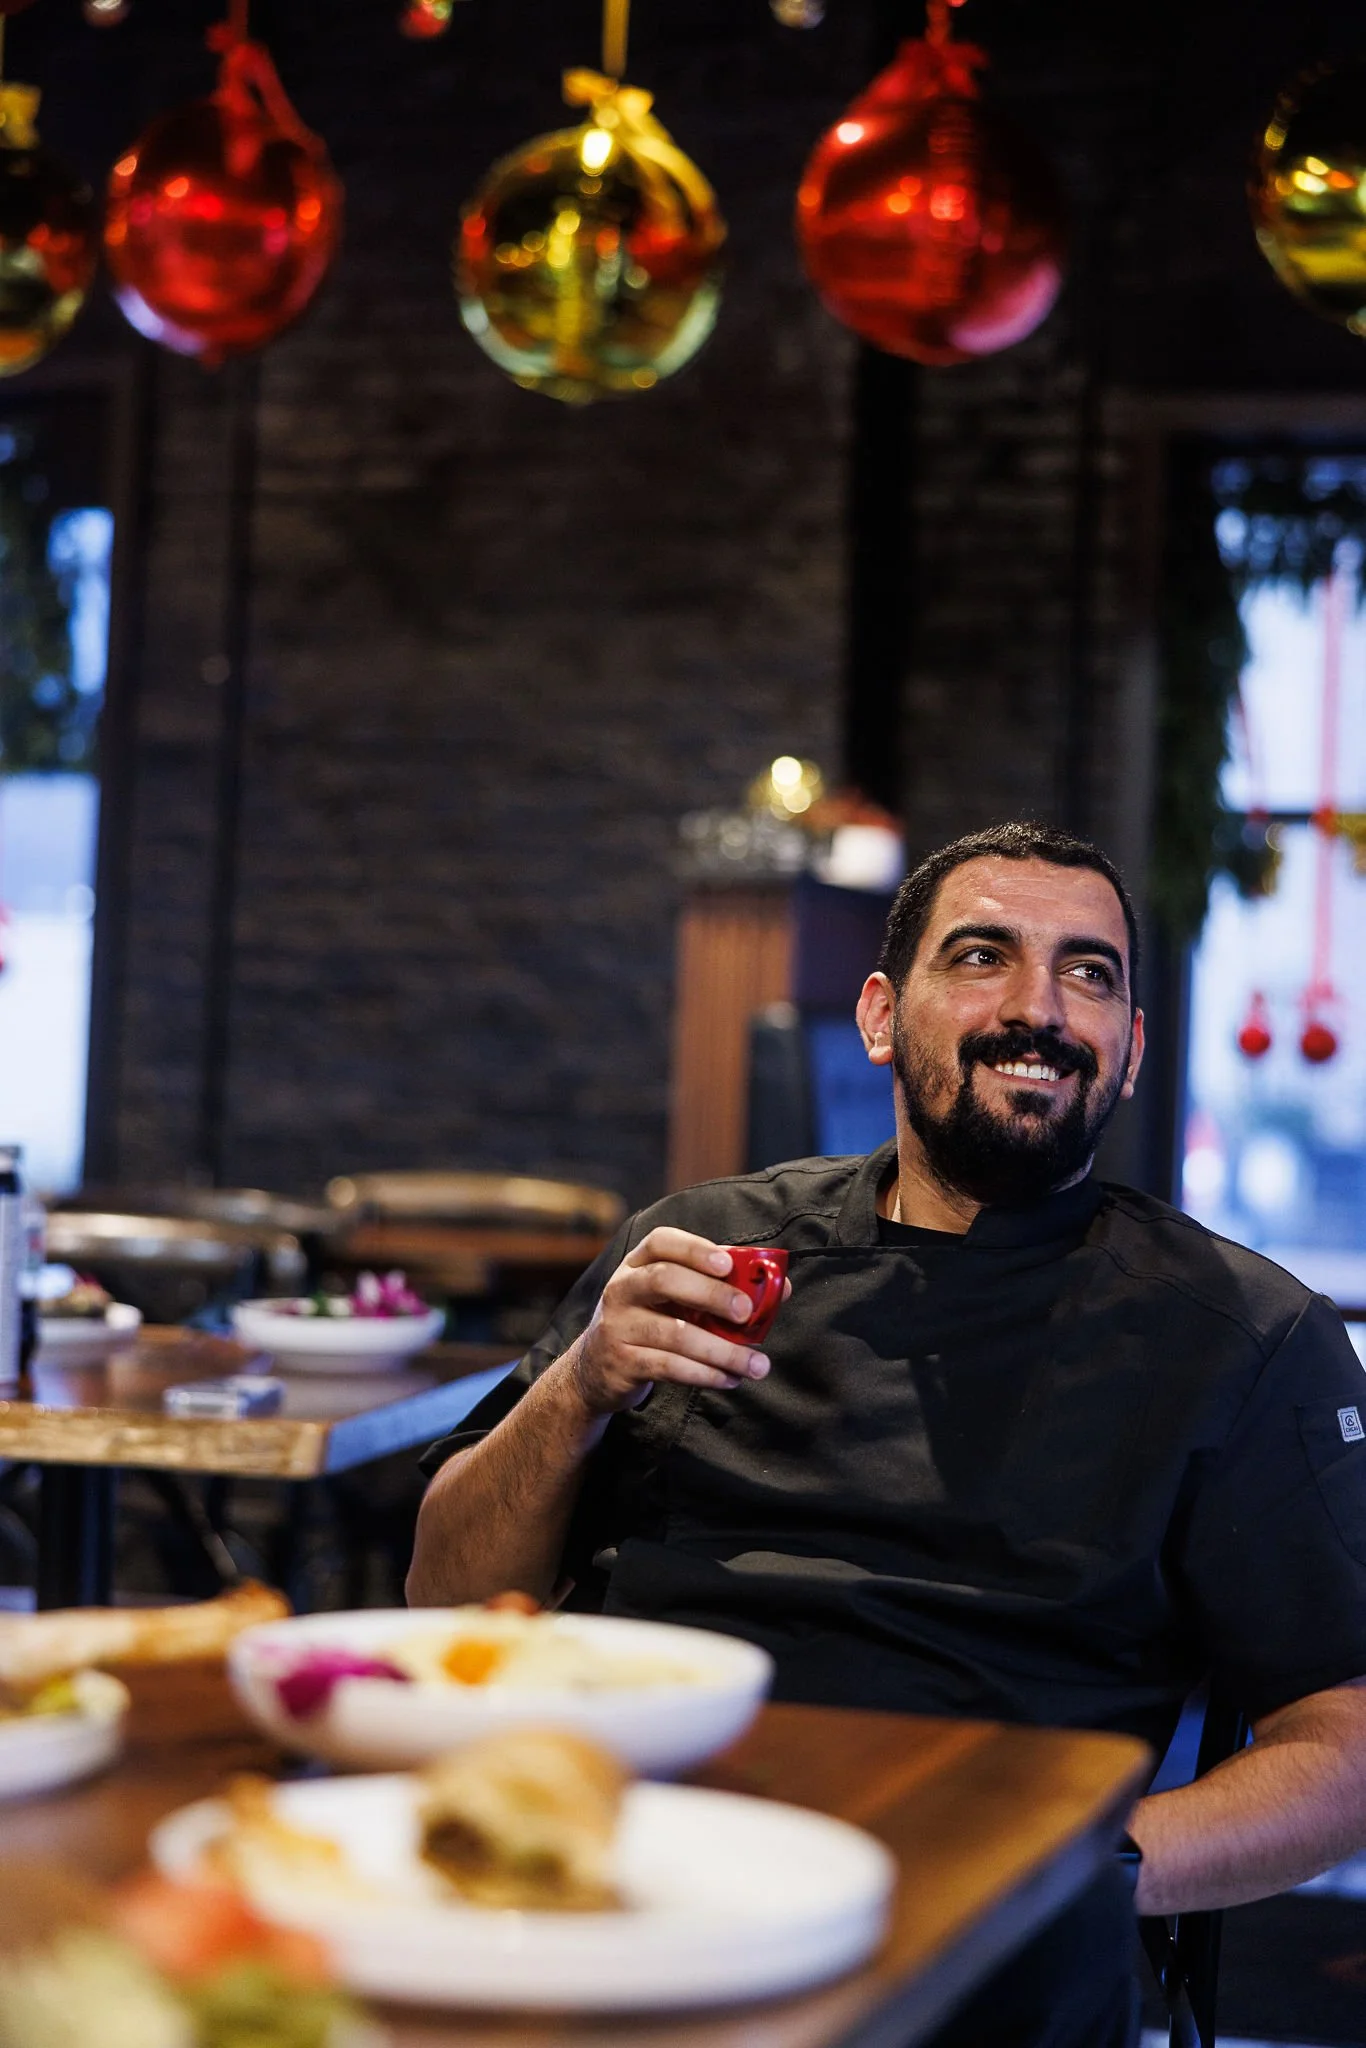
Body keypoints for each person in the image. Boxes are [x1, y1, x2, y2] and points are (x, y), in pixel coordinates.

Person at [409, 821, 1366, 2047]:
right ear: (879, 1015)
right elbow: (446, 1592)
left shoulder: (1240, 1335)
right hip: (619, 1874)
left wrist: (1081, 1863)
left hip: (989, 1944)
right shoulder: (702, 1251)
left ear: (1128, 1051)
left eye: (1090, 973)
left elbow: (1341, 1740)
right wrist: (581, 1385)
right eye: (982, 955)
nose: (1041, 1008)